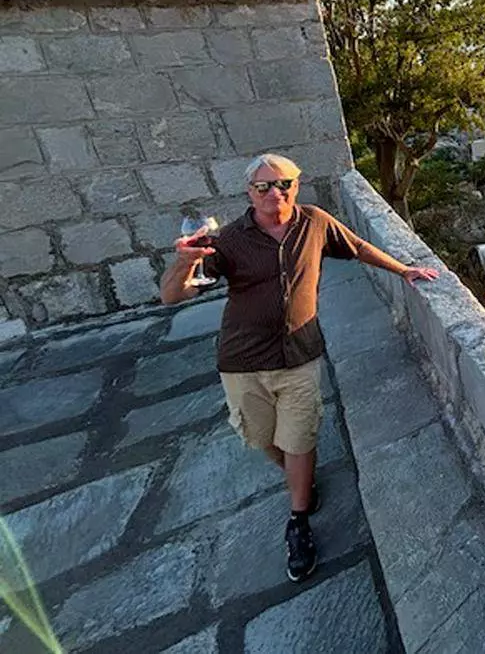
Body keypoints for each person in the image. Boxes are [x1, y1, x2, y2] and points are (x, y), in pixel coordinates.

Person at [159, 153, 437, 582]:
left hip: (300, 355)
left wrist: (404, 270)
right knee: (262, 438)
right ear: (249, 193)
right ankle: (300, 481)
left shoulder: (316, 223)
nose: (276, 193)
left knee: (300, 437)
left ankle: (299, 517)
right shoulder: (230, 240)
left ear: (297, 184)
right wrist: (184, 261)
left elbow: (358, 246)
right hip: (242, 362)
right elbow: (172, 297)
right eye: (265, 187)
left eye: (284, 183)